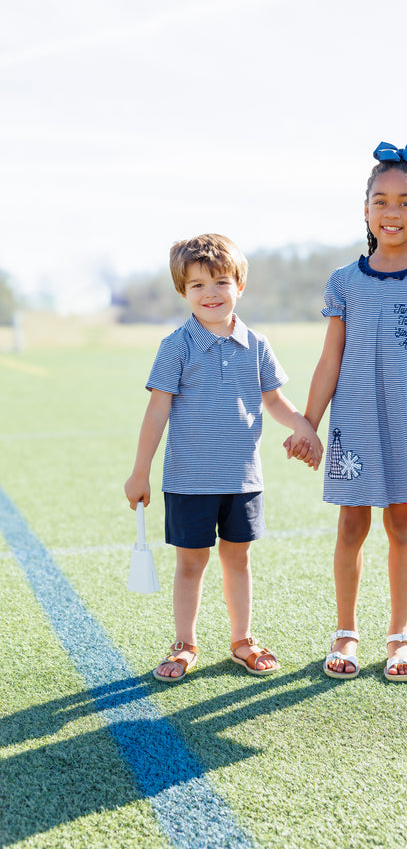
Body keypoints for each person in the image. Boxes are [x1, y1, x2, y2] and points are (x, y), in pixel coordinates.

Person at [286, 135, 407, 681]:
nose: (393, 212)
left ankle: (400, 637)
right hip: (353, 430)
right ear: (366, 209)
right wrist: (309, 425)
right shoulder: (344, 281)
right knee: (349, 527)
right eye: (382, 201)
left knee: (401, 527)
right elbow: (328, 360)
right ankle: (344, 633)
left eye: (406, 201)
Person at [125, 233, 322, 682]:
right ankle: (185, 643)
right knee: (191, 564)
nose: (210, 293)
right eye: (197, 285)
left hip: (244, 480)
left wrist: (304, 426)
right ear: (183, 292)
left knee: (238, 559)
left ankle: (242, 640)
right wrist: (140, 472)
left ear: (240, 285)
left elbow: (273, 400)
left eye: (220, 281)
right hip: (189, 480)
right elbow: (157, 411)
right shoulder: (177, 345)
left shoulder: (256, 344)